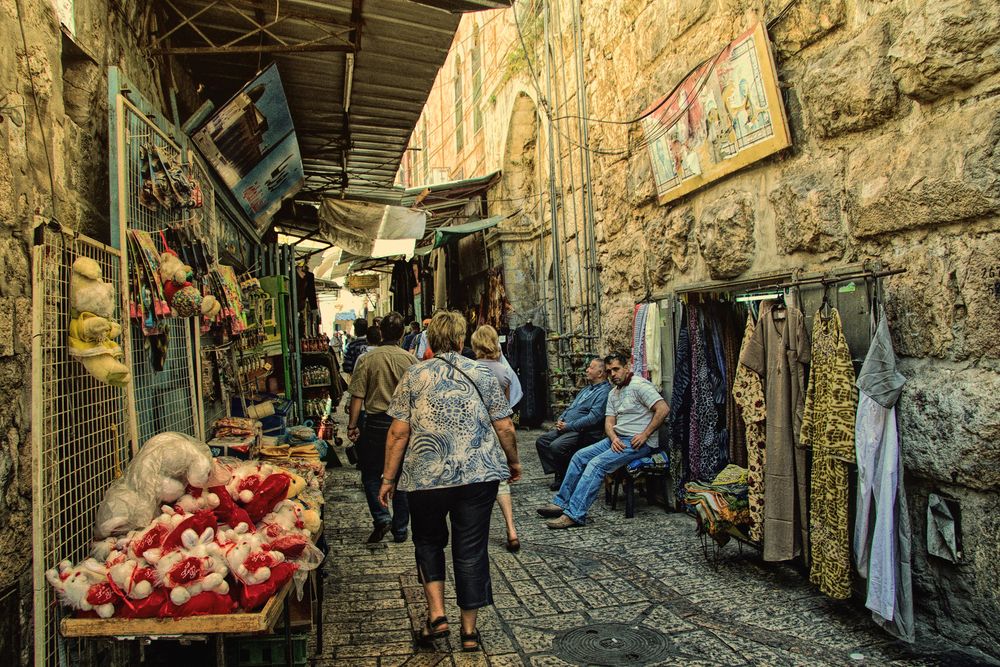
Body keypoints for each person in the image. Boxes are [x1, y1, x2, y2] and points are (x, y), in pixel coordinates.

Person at [378, 311, 520, 652]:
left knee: (428, 541)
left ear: (431, 341)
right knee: (470, 548)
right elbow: (505, 426)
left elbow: (398, 432)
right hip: (477, 475)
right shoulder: (481, 373)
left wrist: (387, 478)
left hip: (426, 477)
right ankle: (469, 633)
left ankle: (437, 615)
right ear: (460, 340)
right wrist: (513, 462)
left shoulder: (414, 375)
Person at [537, 352, 669, 529]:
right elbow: (609, 422)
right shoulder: (614, 392)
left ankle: (575, 514)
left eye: (616, 369)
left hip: (638, 442)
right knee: (579, 456)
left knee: (596, 464)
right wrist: (613, 438)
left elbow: (663, 409)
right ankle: (561, 503)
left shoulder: (640, 386)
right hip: (617, 439)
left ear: (627, 367)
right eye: (609, 371)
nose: (613, 374)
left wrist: (645, 434)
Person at [347, 312, 416, 543]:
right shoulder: (411, 361)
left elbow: (357, 396)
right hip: (404, 425)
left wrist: (352, 425)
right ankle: (400, 529)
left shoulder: (368, 359)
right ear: (402, 334)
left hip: (376, 424)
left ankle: (381, 516)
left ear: (381, 333)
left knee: (371, 474)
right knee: (401, 477)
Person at [472, 325, 521, 552]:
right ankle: (511, 529)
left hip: (474, 430)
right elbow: (506, 410)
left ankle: (475, 533)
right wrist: (514, 458)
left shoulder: (470, 369)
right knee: (501, 481)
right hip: (497, 430)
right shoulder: (504, 372)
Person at [535, 357, 612, 491]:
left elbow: (593, 418)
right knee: (542, 441)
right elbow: (572, 407)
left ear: (600, 373)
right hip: (568, 428)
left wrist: (568, 426)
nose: (587, 370)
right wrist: (561, 418)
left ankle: (565, 477)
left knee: (556, 446)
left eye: (591, 367)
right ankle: (563, 473)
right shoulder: (587, 389)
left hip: (583, 431)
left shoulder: (604, 392)